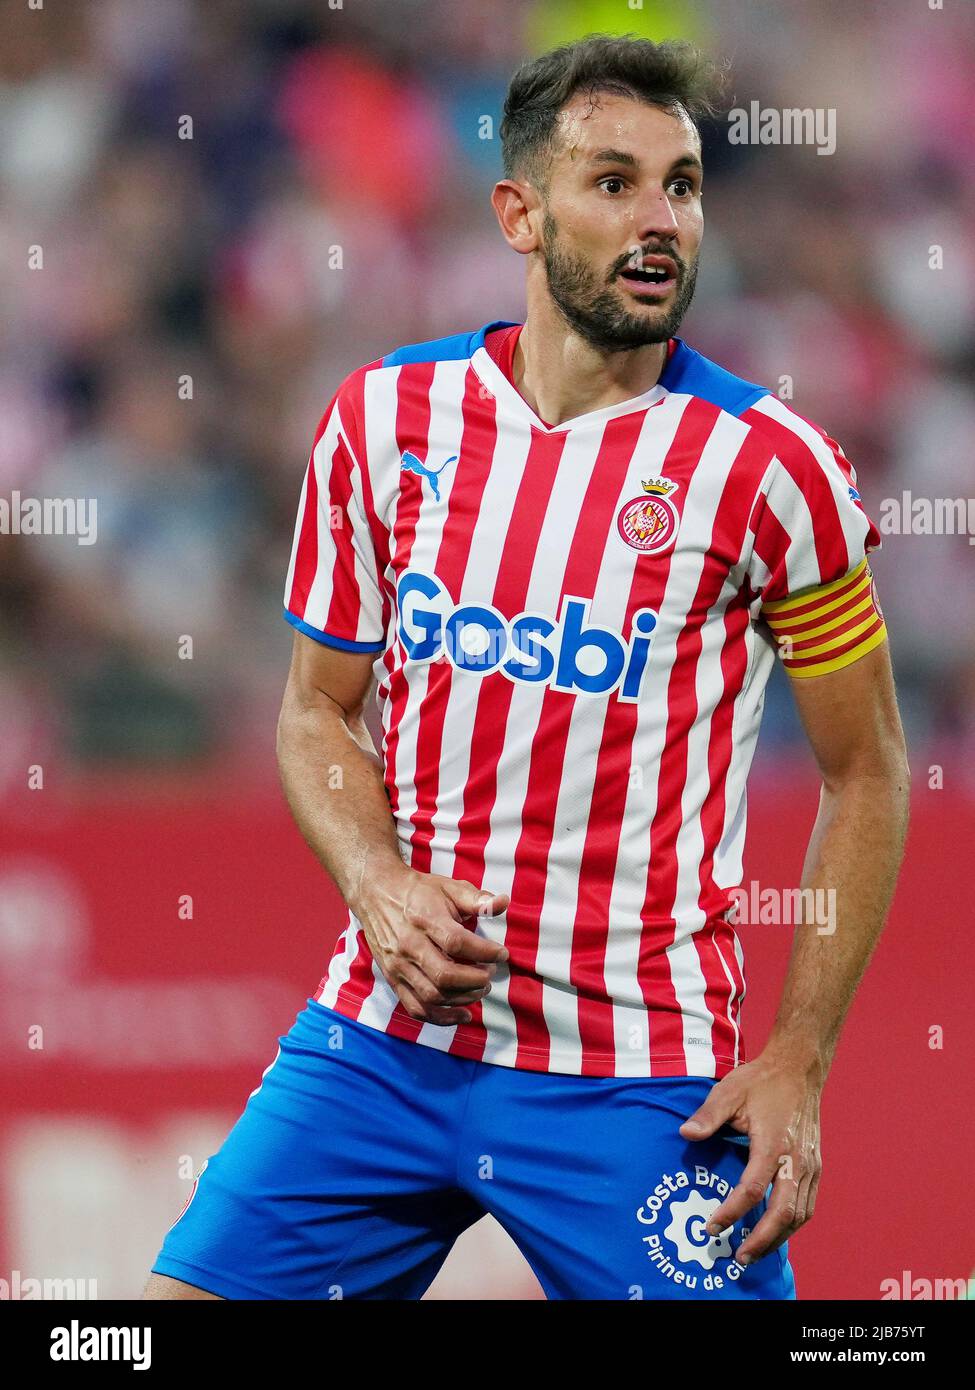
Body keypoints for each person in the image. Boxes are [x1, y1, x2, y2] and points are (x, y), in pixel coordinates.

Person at [145, 33, 909, 1301]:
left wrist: (799, 1060)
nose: (660, 219)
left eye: (684, 183)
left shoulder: (772, 471)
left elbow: (869, 769)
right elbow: (314, 715)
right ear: (519, 211)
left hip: (636, 1075)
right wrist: (378, 883)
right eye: (614, 183)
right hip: (382, 1050)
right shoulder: (382, 421)